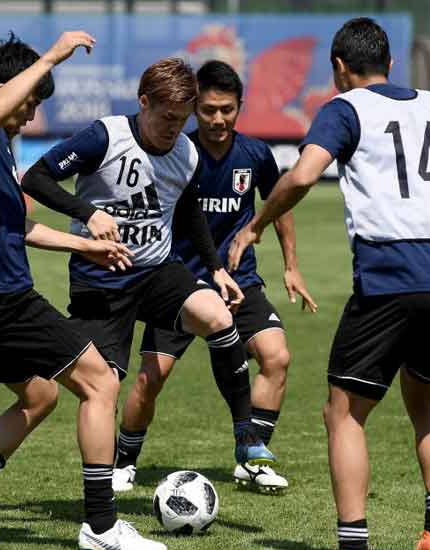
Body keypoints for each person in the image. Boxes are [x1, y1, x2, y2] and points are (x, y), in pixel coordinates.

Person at [228, 17, 430, 550]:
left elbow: (302, 176)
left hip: (389, 278)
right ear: (392, 64)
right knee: (426, 401)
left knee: (342, 412)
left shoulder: (345, 107)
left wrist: (254, 226)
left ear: (339, 69)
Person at [0, 31, 167, 550]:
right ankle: (102, 527)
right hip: (0, 297)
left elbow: (21, 229)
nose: (31, 117)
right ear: (2, 88)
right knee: (102, 383)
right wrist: (54, 55)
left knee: (40, 395)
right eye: (31, 102)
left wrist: (84, 247)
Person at [22, 57, 275, 473]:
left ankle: (246, 433)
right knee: (102, 387)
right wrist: (89, 214)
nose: (174, 127)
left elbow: (191, 212)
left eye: (181, 118)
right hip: (100, 280)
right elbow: (37, 178)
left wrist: (215, 269)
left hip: (158, 272)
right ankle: (112, 477)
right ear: (143, 103)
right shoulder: (105, 136)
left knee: (217, 316)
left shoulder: (186, 153)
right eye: (166, 117)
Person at [111, 60, 317, 494]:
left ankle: (252, 456)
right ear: (192, 108)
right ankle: (123, 462)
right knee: (151, 379)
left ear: (239, 106)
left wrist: (291, 265)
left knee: (276, 357)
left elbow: (278, 208)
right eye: (207, 110)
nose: (217, 119)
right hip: (181, 285)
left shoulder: (256, 154)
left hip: (241, 284)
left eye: (226, 109)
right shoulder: (176, 153)